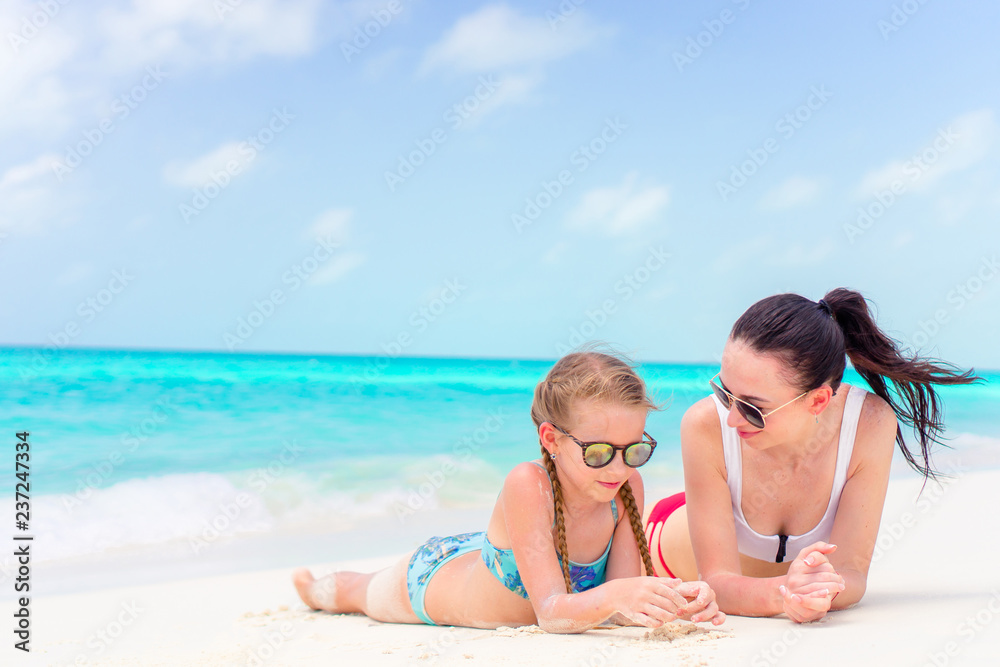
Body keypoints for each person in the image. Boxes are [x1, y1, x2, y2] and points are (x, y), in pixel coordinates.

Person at [293, 351, 725, 632]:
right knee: (355, 594)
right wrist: (621, 596)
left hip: (486, 551)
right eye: (597, 453)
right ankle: (313, 588)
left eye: (633, 450)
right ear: (552, 439)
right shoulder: (528, 483)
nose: (617, 467)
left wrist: (679, 598)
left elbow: (620, 596)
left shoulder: (626, 486)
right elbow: (552, 612)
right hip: (432, 579)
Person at [645, 289, 980, 623]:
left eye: (753, 408)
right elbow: (716, 582)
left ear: (818, 401)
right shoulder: (704, 424)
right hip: (660, 542)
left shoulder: (869, 424)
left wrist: (821, 595)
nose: (732, 418)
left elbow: (851, 573)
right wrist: (787, 594)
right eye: (724, 393)